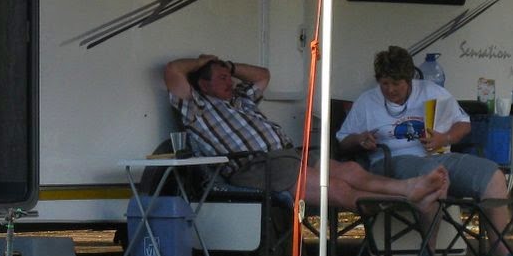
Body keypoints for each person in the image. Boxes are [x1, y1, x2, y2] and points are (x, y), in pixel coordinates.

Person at [162, 54, 448, 216]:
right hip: (255, 166)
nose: (231, 81)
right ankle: (409, 200)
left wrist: (229, 67)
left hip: (286, 156)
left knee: (349, 170)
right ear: (203, 84)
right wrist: (203, 60)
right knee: (335, 188)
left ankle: (410, 190)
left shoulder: (240, 99)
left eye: (230, 76)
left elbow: (263, 74)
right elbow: (173, 70)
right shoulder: (196, 107)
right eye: (222, 78)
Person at [336, 45, 513, 256]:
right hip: (391, 163)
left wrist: (444, 138)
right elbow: (343, 140)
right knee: (433, 175)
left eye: (396, 83)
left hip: (437, 155)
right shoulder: (367, 102)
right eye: (385, 84)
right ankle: (428, 255)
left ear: (409, 80)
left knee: (492, 175)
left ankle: (502, 255)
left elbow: (464, 124)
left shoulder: (431, 92)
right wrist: (360, 140)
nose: (390, 89)